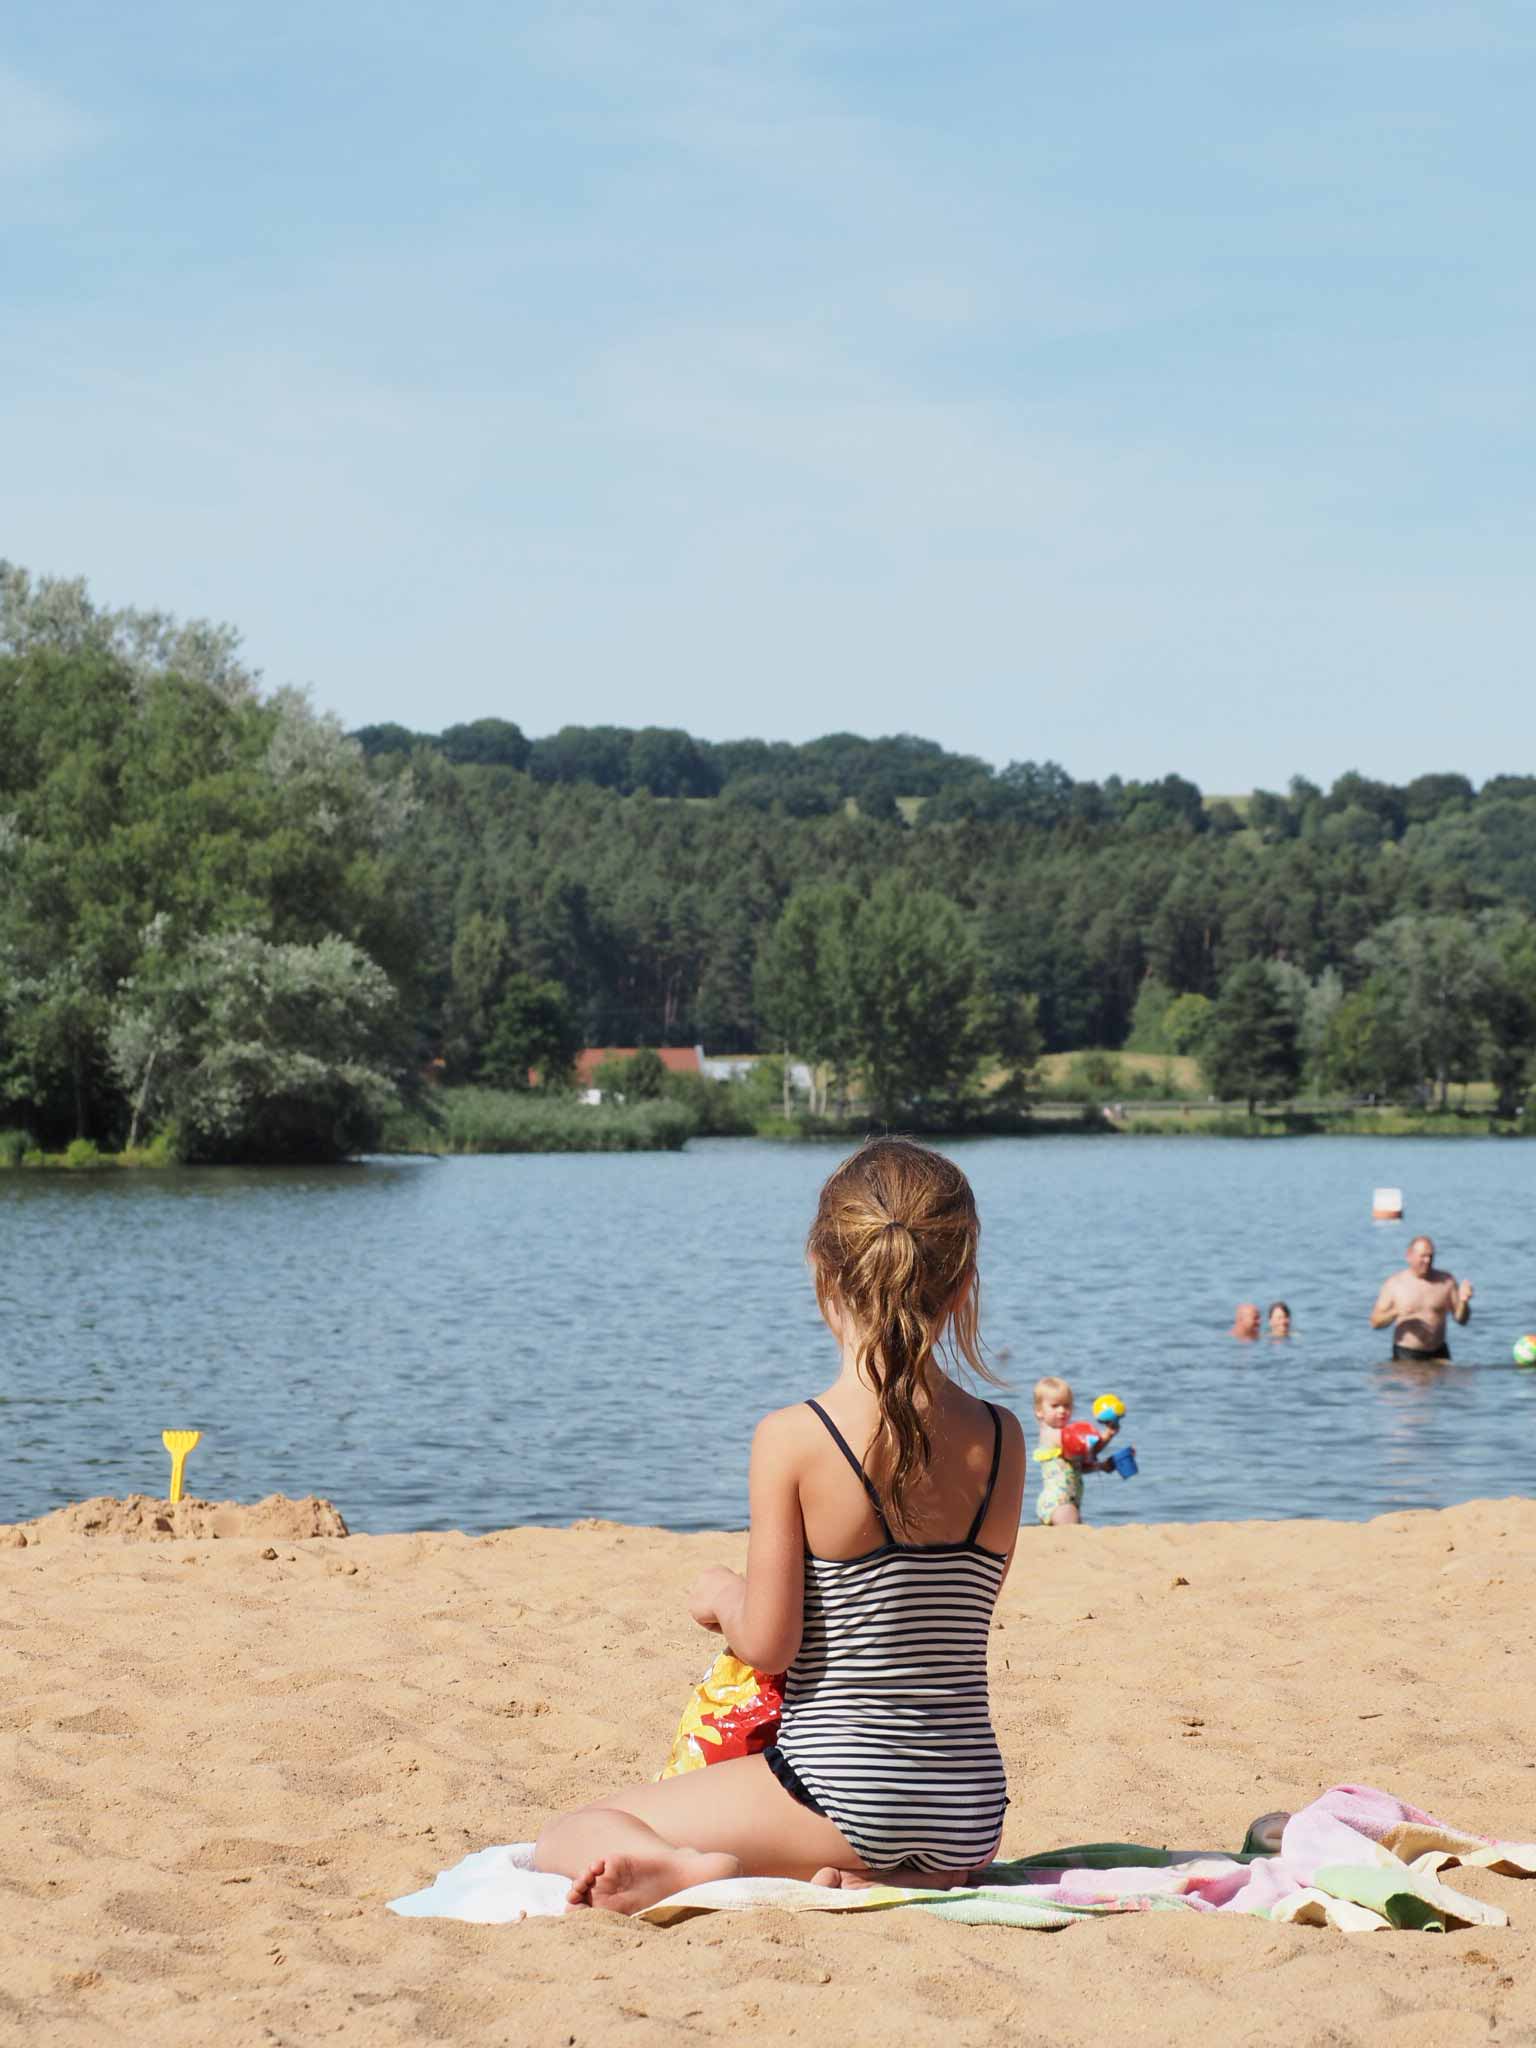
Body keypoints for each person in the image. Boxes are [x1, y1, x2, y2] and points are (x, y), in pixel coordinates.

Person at [534, 1137, 1028, 1912]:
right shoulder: (1003, 1437)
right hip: (968, 1814)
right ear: (964, 1283)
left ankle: (694, 1869)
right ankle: (899, 1876)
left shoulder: (795, 1438)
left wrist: (721, 1595)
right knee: (875, 1822)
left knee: (573, 1832)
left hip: (844, 1793)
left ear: (821, 1270)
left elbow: (769, 1642)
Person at [1369, 1235, 1473, 1361]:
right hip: (1407, 1354)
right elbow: (1375, 1322)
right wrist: (1395, 1312)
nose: (1427, 1260)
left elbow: (1462, 1320)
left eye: (1431, 1256)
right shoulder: (1394, 1284)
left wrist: (1464, 1302)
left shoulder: (1446, 1281)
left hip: (1439, 1352)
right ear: (1409, 1256)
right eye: (1423, 1256)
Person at [1032, 1375, 1116, 1525]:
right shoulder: (1050, 1433)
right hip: (1057, 1502)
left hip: (1071, 1501)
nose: (1062, 1410)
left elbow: (1081, 1461)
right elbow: (1085, 1448)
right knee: (1073, 1531)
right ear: (1039, 1411)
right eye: (1055, 1405)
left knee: (1074, 1533)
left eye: (1067, 1405)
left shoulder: (1068, 1438)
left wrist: (1101, 1464)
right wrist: (1099, 1436)